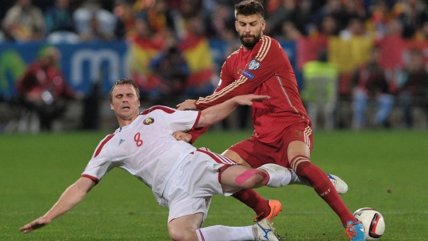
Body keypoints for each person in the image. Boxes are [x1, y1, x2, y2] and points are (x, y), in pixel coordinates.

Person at [176, 1, 365, 240]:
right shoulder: (231, 63)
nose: (248, 29)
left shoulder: (269, 47)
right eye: (243, 24)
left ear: (262, 25)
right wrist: (191, 135)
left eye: (253, 24)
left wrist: (199, 102)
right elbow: (220, 103)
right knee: (222, 171)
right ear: (236, 25)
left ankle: (350, 222)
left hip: (292, 123)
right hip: (262, 135)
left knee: (300, 163)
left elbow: (242, 86)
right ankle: (265, 209)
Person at [19, 79, 298, 241]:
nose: (125, 99)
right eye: (119, 96)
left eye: (130, 95)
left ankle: (296, 173)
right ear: (111, 104)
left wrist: (235, 101)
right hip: (173, 191)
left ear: (138, 101)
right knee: (181, 234)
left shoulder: (158, 115)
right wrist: (49, 216)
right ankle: (256, 233)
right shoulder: (109, 145)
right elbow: (81, 186)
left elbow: (207, 117)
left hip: (194, 165)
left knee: (251, 178)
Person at [16, 46, 77, 131]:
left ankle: (47, 126)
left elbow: (64, 89)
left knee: (58, 105)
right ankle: (43, 127)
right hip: (34, 99)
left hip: (50, 99)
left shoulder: (55, 72)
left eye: (54, 59)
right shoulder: (34, 69)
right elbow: (21, 84)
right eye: (50, 58)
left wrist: (75, 95)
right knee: (41, 105)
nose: (52, 61)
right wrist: (28, 94)